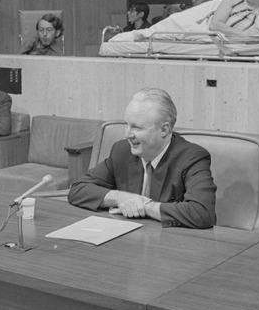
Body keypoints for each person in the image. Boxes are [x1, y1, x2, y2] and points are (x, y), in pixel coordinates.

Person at [67, 88, 217, 229]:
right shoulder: (121, 151)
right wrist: (119, 197)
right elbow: (78, 189)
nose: (127, 134)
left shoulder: (192, 157)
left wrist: (145, 206)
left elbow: (202, 213)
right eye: (126, 125)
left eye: (136, 128)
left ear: (164, 129)